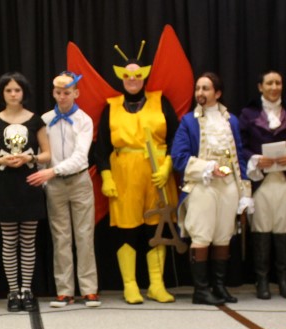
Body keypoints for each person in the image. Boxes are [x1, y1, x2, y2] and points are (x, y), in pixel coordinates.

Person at [93, 51, 181, 304]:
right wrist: (107, 177)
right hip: (124, 175)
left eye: (137, 74)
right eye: (127, 75)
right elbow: (101, 148)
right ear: (121, 77)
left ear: (144, 76)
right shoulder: (111, 107)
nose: (132, 79)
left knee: (158, 226)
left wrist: (168, 167)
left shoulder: (161, 101)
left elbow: (176, 138)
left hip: (157, 174)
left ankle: (156, 284)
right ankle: (130, 285)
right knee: (126, 229)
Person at [171, 72, 253, 305]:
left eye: (205, 88)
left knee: (223, 235)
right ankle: (200, 289)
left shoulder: (231, 121)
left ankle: (219, 286)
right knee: (202, 234)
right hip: (202, 184)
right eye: (198, 88)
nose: (200, 93)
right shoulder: (188, 121)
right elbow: (178, 157)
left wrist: (245, 191)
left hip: (228, 185)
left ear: (217, 93)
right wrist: (207, 167)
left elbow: (239, 156)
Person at [27, 72, 100, 308]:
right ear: (53, 93)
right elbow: (42, 153)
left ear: (76, 93)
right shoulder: (45, 119)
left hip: (79, 182)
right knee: (60, 237)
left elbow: (80, 157)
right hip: (54, 184)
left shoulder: (84, 120)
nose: (62, 97)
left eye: (67, 92)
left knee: (84, 235)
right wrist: (45, 177)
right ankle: (64, 291)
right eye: (58, 92)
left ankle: (89, 289)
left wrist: (53, 171)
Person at [0, 72, 49, 311]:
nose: (13, 94)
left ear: (24, 93)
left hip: (29, 184)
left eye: (17, 90)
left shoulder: (36, 121)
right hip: (5, 187)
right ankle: (13, 291)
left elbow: (47, 154)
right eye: (8, 90)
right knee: (9, 241)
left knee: (28, 241)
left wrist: (29, 158)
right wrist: (3, 160)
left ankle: (26, 290)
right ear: (2, 93)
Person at [239, 70, 286, 300]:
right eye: (269, 83)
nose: (274, 87)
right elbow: (241, 146)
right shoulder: (248, 114)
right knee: (261, 228)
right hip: (261, 181)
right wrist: (256, 159)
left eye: (278, 83)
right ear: (261, 87)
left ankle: (284, 280)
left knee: (284, 228)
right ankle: (262, 280)